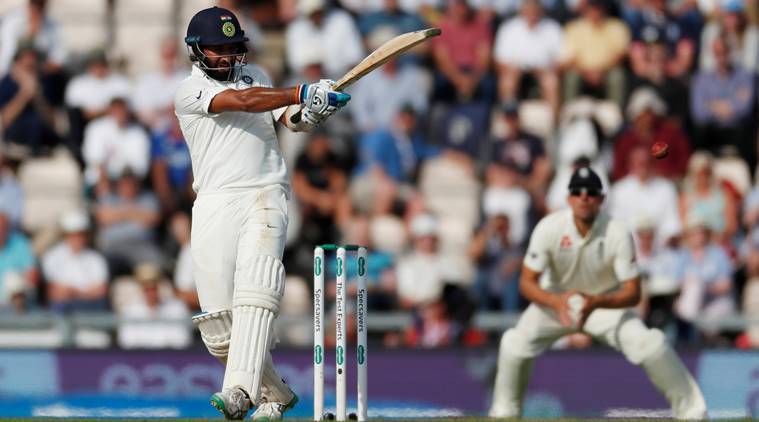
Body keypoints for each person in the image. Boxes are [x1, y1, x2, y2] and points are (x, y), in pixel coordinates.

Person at [175, 6, 350, 420]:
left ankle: (239, 389)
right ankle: (278, 394)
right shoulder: (188, 90)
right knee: (219, 329)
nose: (228, 57)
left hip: (264, 193)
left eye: (234, 48)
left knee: (258, 282)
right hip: (215, 201)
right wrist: (300, 92)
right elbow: (243, 101)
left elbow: (289, 120)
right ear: (198, 52)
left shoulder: (260, 78)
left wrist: (311, 111)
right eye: (218, 49)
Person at [489, 166, 707, 419]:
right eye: (578, 192)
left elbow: (633, 293)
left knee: (652, 344)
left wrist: (596, 302)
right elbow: (526, 283)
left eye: (591, 192)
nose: (584, 197)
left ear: (601, 199)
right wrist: (556, 301)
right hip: (555, 302)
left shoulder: (617, 231)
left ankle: (693, 412)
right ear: (569, 198)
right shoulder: (549, 228)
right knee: (513, 344)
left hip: (603, 304)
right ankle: (504, 413)